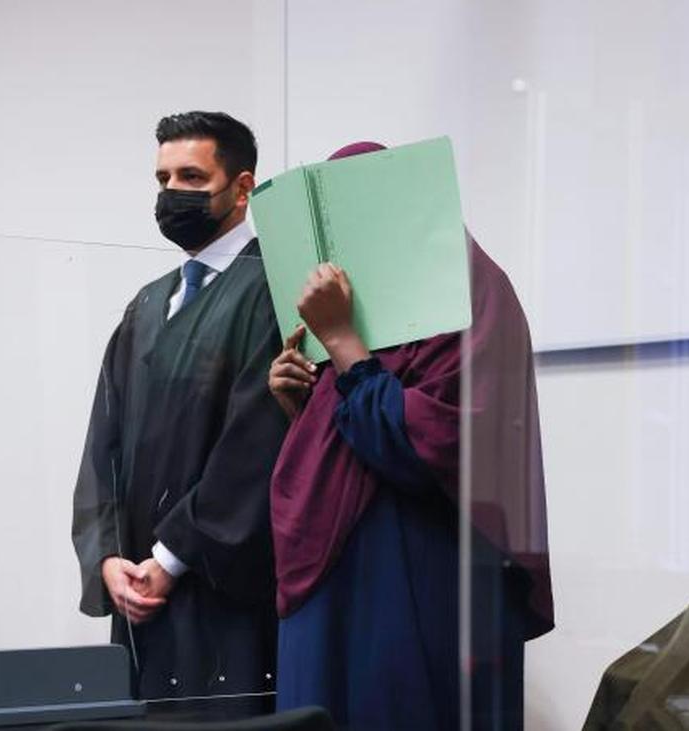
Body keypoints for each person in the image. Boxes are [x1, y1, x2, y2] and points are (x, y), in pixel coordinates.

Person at [268, 141, 554, 730]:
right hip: (338, 586)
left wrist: (343, 343)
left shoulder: (472, 293)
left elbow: (439, 444)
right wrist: (304, 402)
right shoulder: (363, 307)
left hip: (422, 573)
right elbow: (348, 439)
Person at [72, 112, 288, 704]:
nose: (172, 193)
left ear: (242, 188)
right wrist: (108, 557)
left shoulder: (270, 289)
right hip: (136, 591)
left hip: (222, 591)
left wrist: (171, 558)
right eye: (163, 179)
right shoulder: (148, 305)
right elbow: (102, 444)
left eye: (191, 177)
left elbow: (256, 447)